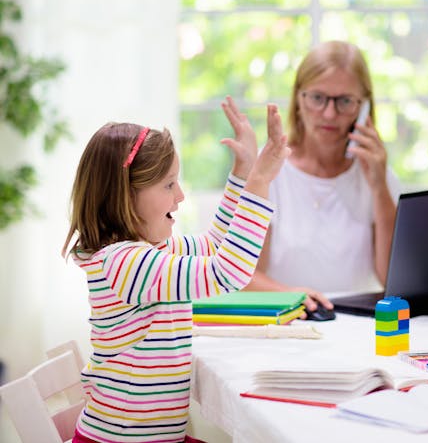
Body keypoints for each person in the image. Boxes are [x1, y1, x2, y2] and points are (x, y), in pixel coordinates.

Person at [62, 101, 289, 443]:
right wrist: (259, 182)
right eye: (168, 185)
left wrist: (243, 170)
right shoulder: (125, 264)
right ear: (126, 196)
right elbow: (226, 273)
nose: (180, 196)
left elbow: (216, 245)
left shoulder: (151, 252)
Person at [241, 41, 400, 311]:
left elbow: (392, 279)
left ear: (363, 107)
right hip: (289, 319)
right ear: (299, 100)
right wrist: (290, 295)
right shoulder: (269, 171)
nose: (329, 113)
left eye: (345, 101)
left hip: (357, 322)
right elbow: (241, 276)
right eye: (317, 98)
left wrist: (379, 188)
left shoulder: (377, 174)